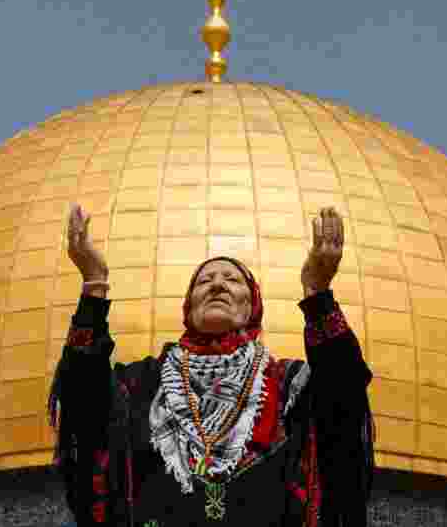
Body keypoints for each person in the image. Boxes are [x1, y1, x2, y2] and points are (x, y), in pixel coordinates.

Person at [48, 204, 375, 527]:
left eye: (232, 280)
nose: (217, 285)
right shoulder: (141, 385)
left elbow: (343, 392)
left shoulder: (287, 385)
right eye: (205, 282)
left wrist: (317, 293)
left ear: (252, 307)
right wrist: (94, 286)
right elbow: (81, 393)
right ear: (188, 310)